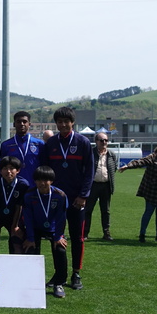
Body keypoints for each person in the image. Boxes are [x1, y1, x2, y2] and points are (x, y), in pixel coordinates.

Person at [43, 107, 93, 290]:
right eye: (59, 122)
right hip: (55, 200)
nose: (63, 125)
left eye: (66, 121)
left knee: (77, 238)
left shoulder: (83, 142)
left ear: (73, 122)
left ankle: (76, 273)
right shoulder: (51, 143)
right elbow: (45, 171)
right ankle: (60, 274)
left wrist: (83, 195)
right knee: (56, 237)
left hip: (76, 199)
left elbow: (89, 171)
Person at [118, 138, 157, 243]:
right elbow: (141, 162)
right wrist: (127, 166)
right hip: (153, 191)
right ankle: (142, 234)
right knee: (148, 212)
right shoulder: (154, 156)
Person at [21, 165, 69, 299]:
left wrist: (58, 237)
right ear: (34, 181)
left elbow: (61, 218)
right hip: (36, 228)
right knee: (30, 249)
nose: (42, 183)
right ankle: (32, 282)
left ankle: (59, 283)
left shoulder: (60, 195)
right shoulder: (29, 195)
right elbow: (28, 217)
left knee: (60, 250)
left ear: (51, 181)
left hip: (53, 229)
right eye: (39, 180)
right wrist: (30, 237)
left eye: (45, 180)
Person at [0, 156, 28, 255]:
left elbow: (19, 206)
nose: (8, 171)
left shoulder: (23, 185)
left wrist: (15, 226)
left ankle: (16, 264)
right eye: (5, 168)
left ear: (18, 170)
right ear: (0, 170)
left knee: (17, 242)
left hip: (14, 216)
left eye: (12, 168)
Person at [84, 132, 117, 241]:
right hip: (93, 185)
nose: (104, 142)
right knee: (88, 210)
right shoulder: (90, 153)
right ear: (96, 141)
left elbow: (114, 168)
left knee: (105, 211)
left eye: (106, 140)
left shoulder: (111, 154)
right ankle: (85, 233)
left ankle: (106, 233)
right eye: (101, 140)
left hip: (106, 186)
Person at [0, 110, 44, 185]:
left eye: (24, 121)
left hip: (34, 186)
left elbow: (44, 167)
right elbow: (2, 168)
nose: (22, 124)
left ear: (29, 124)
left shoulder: (39, 144)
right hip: (14, 186)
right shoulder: (6, 145)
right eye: (18, 122)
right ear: (14, 124)